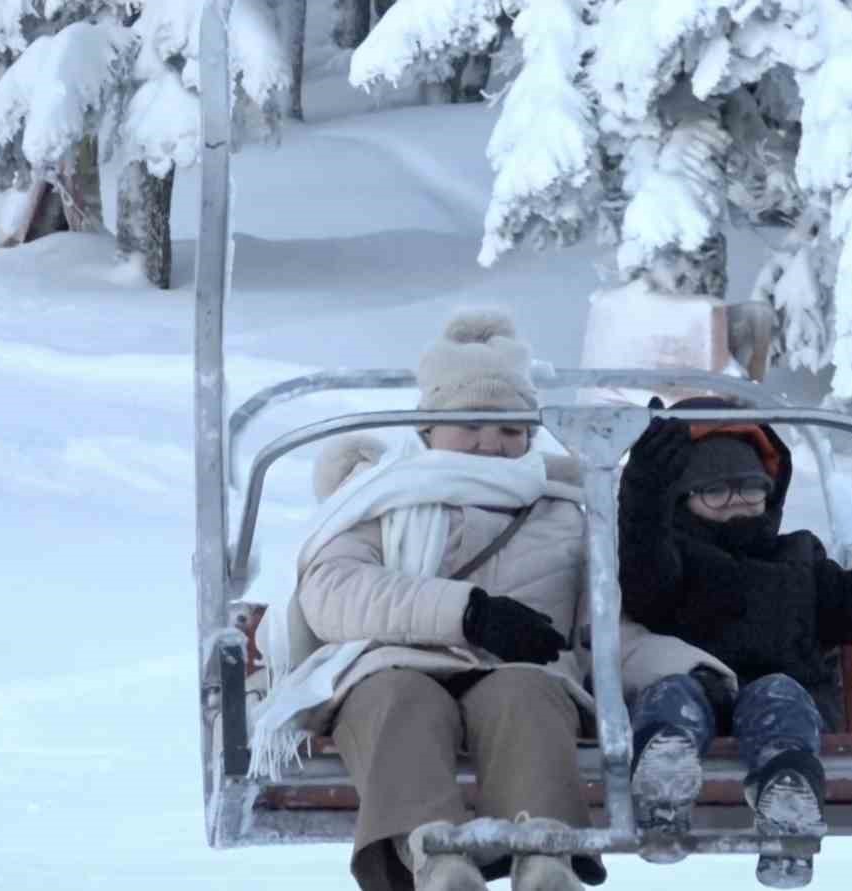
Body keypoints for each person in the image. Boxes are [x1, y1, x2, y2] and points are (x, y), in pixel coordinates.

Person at [250, 310, 728, 891]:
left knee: (527, 694)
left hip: (519, 670)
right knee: (399, 698)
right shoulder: (383, 497)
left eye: (511, 429)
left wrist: (687, 669)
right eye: (472, 422)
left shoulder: (561, 508)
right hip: (392, 663)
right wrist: (469, 612)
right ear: (429, 427)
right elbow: (333, 591)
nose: (492, 444)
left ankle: (545, 855)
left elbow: (602, 629)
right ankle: (435, 854)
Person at [615, 397, 852, 885]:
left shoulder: (801, 562)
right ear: (683, 499)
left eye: (750, 489)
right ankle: (664, 780)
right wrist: (644, 501)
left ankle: (788, 801)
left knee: (778, 692)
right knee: (672, 690)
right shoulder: (672, 564)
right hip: (695, 687)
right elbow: (644, 584)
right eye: (716, 492)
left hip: (785, 701)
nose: (738, 504)